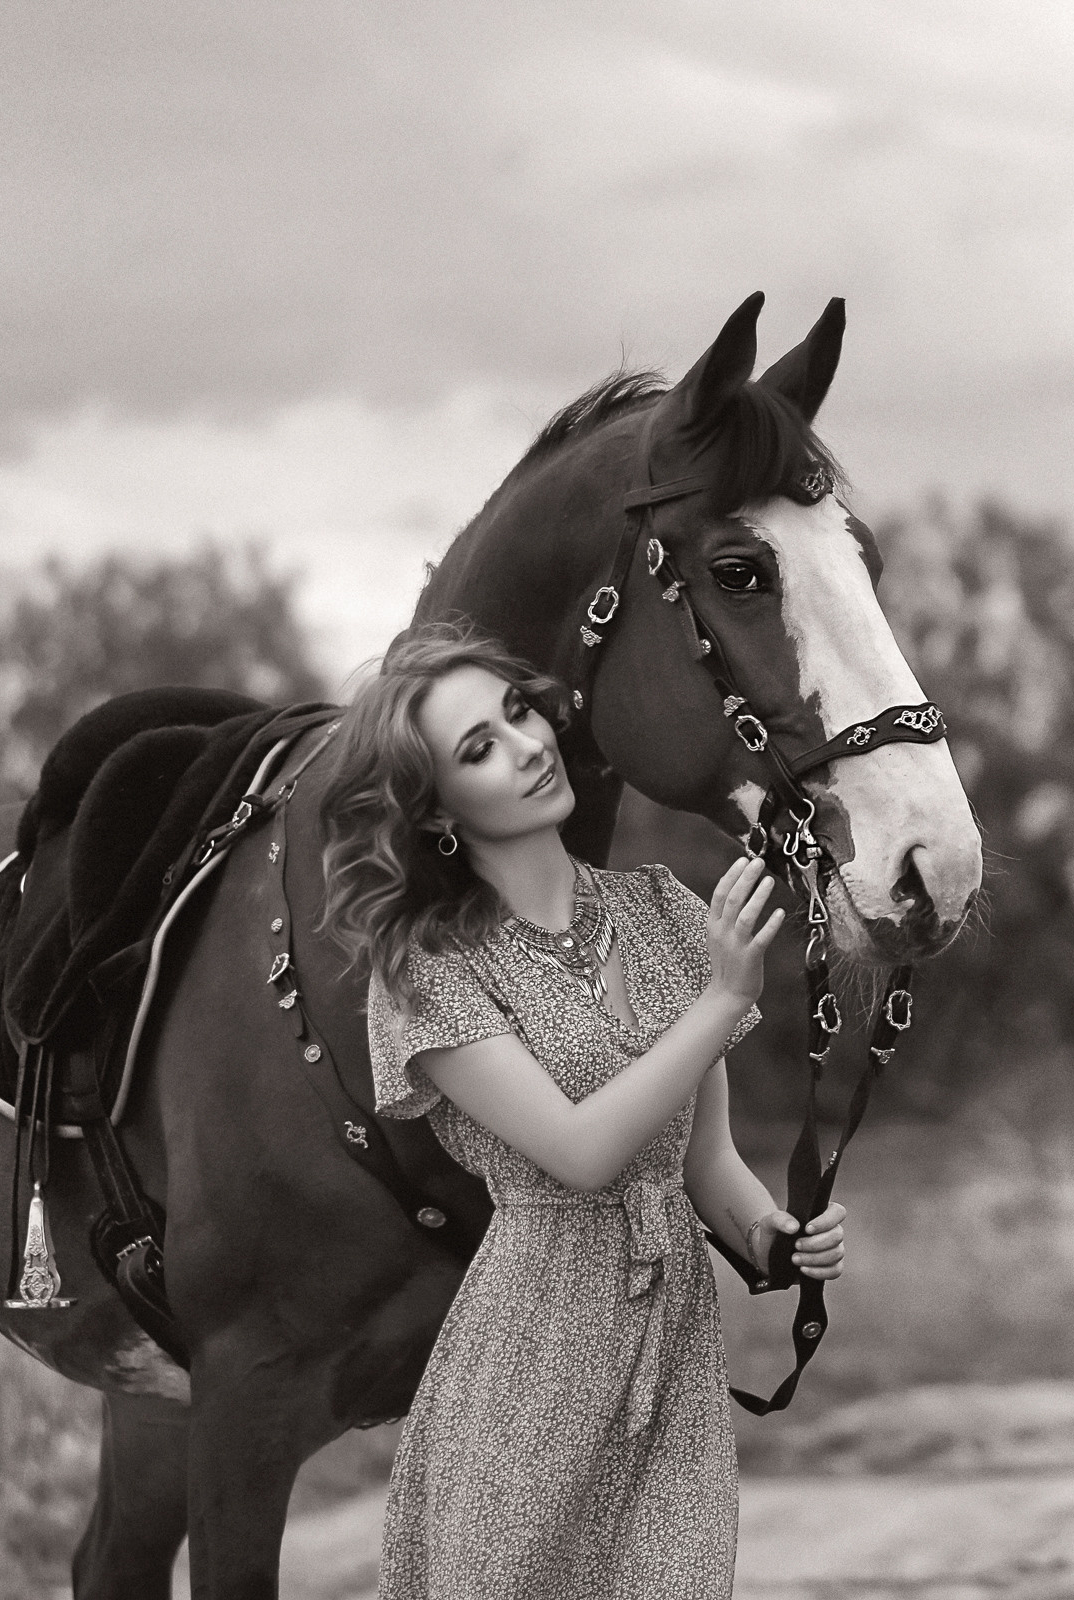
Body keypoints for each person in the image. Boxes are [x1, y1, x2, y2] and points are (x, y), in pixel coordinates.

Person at [317, 618, 850, 1599]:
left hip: (672, 1360)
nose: (526, 747)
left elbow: (701, 1164)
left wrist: (776, 1240)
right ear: (437, 811)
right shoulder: (430, 971)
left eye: (519, 712)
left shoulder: (664, 912)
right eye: (479, 749)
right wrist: (721, 1001)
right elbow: (581, 1152)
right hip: (530, 1359)